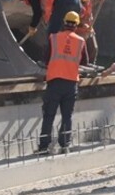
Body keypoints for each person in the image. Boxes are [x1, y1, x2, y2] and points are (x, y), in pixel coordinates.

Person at [37, 10, 86, 155]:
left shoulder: (54, 38)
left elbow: (46, 59)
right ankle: (65, 144)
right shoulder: (81, 41)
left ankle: (44, 146)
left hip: (55, 82)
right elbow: (85, 61)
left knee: (49, 115)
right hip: (71, 84)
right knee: (67, 116)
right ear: (76, 25)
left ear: (64, 23)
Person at [8, 0, 83, 44]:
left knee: (52, 35)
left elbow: (37, 12)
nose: (22, 0)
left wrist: (32, 26)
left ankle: (49, 58)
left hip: (64, 1)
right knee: (66, 33)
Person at [75, 0, 110, 64]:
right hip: (78, 30)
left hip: (89, 28)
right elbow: (71, 18)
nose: (83, 2)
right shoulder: (73, 0)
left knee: (94, 48)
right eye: (82, 1)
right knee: (80, 51)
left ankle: (91, 65)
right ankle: (79, 66)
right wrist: (82, 25)